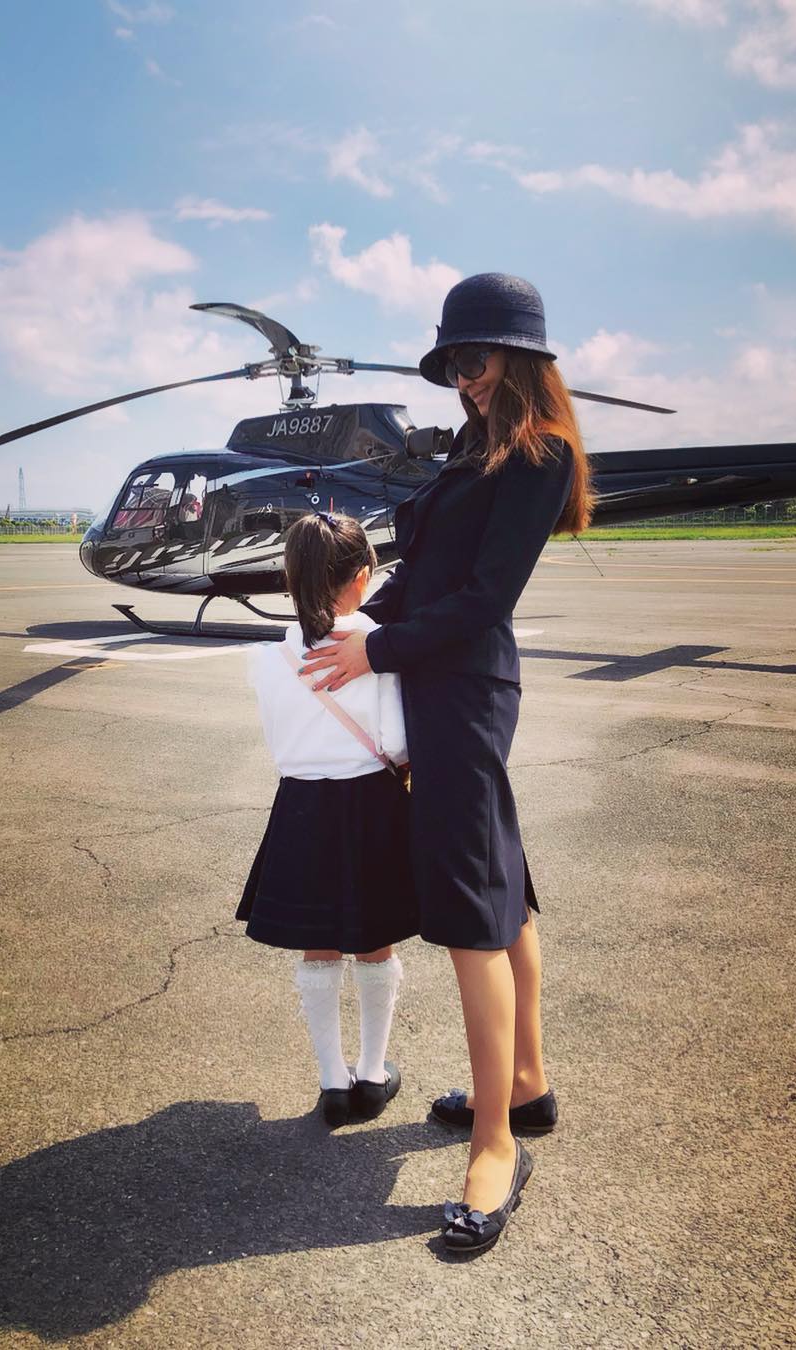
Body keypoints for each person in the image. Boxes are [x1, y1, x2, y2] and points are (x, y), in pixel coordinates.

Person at [299, 273, 594, 1253]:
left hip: (464, 692)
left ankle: (497, 1146)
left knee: (471, 915)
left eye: (474, 359)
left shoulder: (539, 455)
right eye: (453, 365)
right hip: (437, 685)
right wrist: (343, 626)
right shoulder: (476, 451)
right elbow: (422, 579)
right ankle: (527, 1084)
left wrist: (374, 650)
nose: (463, 379)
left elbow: (483, 599)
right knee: (503, 892)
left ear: (520, 356)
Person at [237, 512, 418, 1128]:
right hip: (370, 803)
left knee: (319, 943)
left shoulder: (270, 657)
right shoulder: (374, 645)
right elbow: (398, 741)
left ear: (291, 578)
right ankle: (372, 1072)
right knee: (373, 940)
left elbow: (278, 741)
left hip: (301, 806)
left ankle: (331, 1082)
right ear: (362, 576)